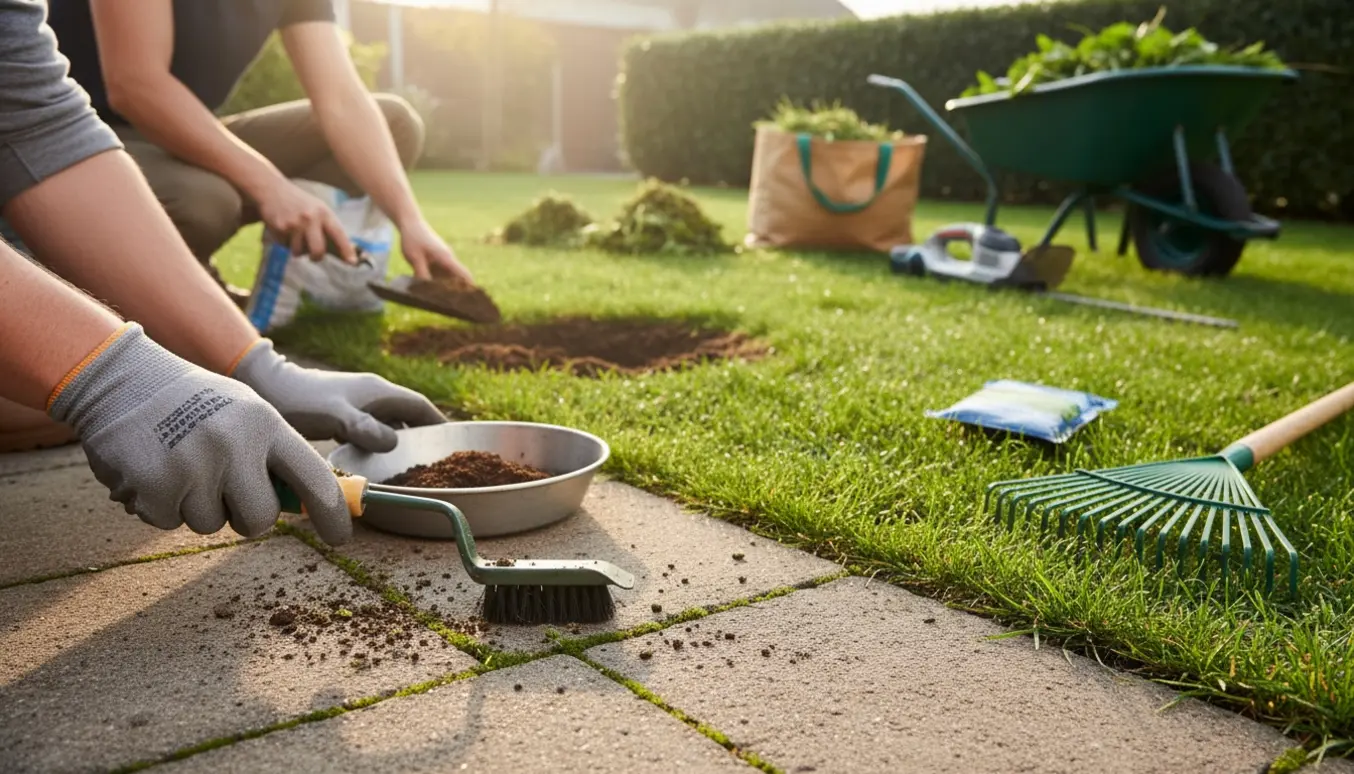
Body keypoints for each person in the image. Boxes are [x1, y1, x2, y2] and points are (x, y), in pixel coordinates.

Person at [0, 0, 446, 545]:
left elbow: (34, 125)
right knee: (34, 405)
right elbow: (134, 83)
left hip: (86, 147)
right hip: (129, 134)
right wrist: (103, 377)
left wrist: (257, 368)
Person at [45, 0, 473, 306]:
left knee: (394, 122)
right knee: (206, 202)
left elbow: (340, 98)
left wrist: (410, 221)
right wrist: (269, 185)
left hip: (180, 134)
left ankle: (306, 290)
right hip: (79, 137)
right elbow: (136, 86)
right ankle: (131, 285)